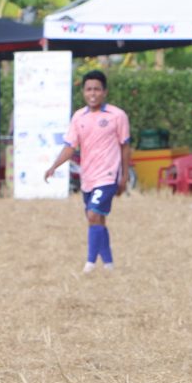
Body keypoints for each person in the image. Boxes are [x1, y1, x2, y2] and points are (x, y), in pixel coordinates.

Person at [44, 70, 131, 274]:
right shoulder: (78, 117)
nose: (93, 93)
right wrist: (54, 166)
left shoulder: (117, 116)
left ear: (104, 92)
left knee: (93, 215)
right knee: (98, 219)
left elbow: (125, 147)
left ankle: (90, 264)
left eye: (97, 89)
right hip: (88, 177)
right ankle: (108, 265)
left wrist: (124, 175)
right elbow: (70, 146)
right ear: (83, 92)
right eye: (89, 89)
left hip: (108, 176)